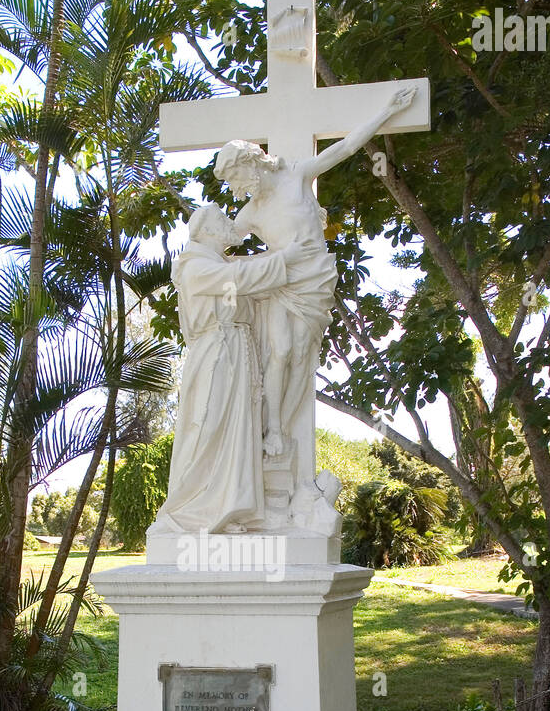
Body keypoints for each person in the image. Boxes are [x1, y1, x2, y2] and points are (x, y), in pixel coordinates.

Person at [214, 84, 417, 524]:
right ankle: (271, 432)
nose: (233, 188)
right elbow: (220, 241)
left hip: (313, 280)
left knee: (300, 359)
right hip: (280, 281)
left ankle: (282, 432)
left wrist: (384, 112)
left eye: (232, 178)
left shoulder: (297, 175)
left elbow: (344, 147)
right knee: (279, 352)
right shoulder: (249, 213)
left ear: (248, 163)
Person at [150, 204, 304, 537]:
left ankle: (223, 510)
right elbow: (237, 279)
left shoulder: (219, 264)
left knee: (238, 431)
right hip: (216, 351)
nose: (228, 225)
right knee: (209, 425)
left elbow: (250, 284)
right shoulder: (194, 266)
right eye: (222, 221)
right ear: (204, 229)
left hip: (237, 349)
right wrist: (284, 257)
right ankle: (189, 509)